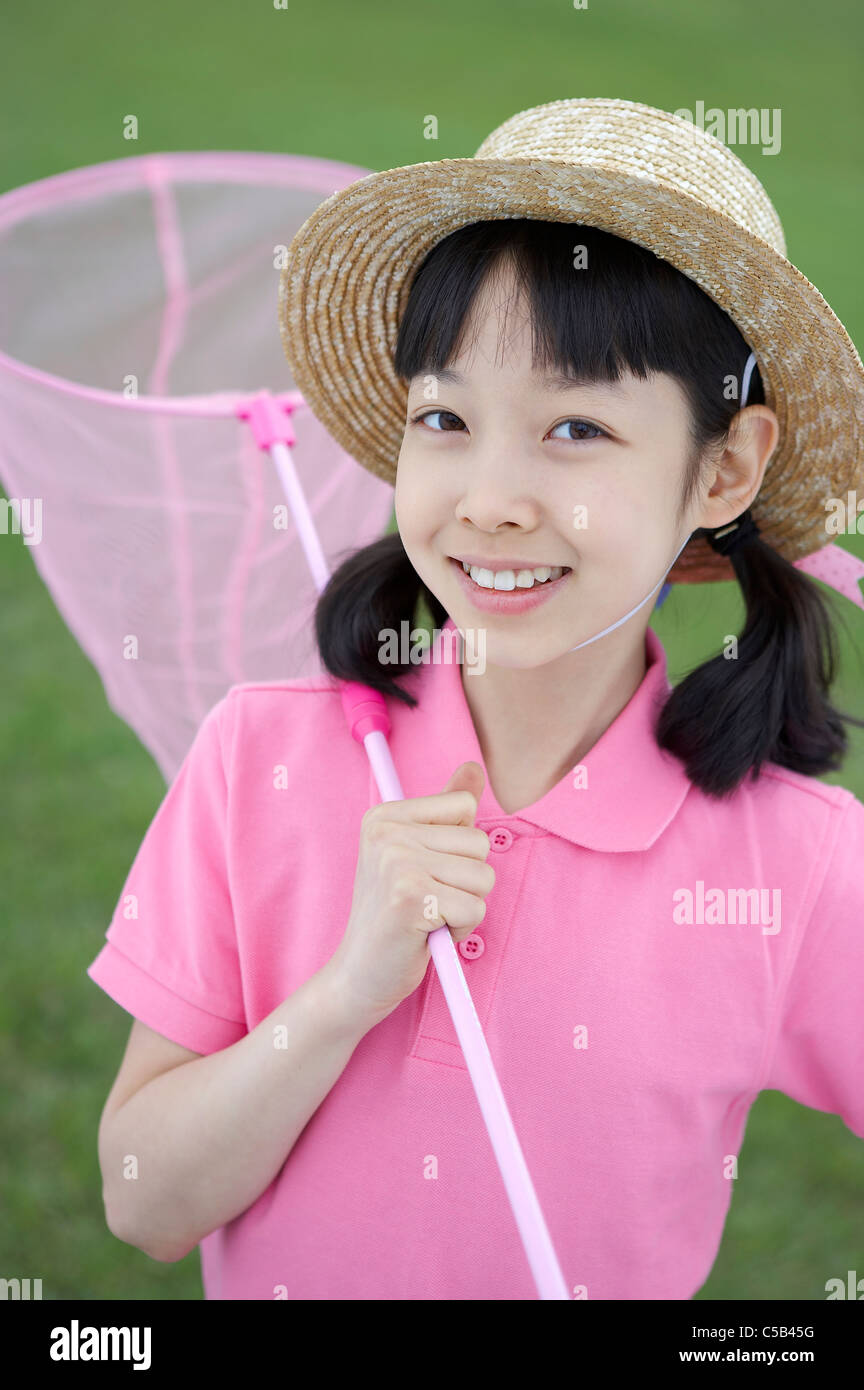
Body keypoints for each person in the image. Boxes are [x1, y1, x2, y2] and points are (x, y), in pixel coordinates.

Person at [87, 98, 864, 1300]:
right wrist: (347, 989)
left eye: (576, 427)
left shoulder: (798, 861)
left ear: (723, 468)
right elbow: (143, 1199)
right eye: (445, 418)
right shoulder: (259, 753)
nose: (491, 498)